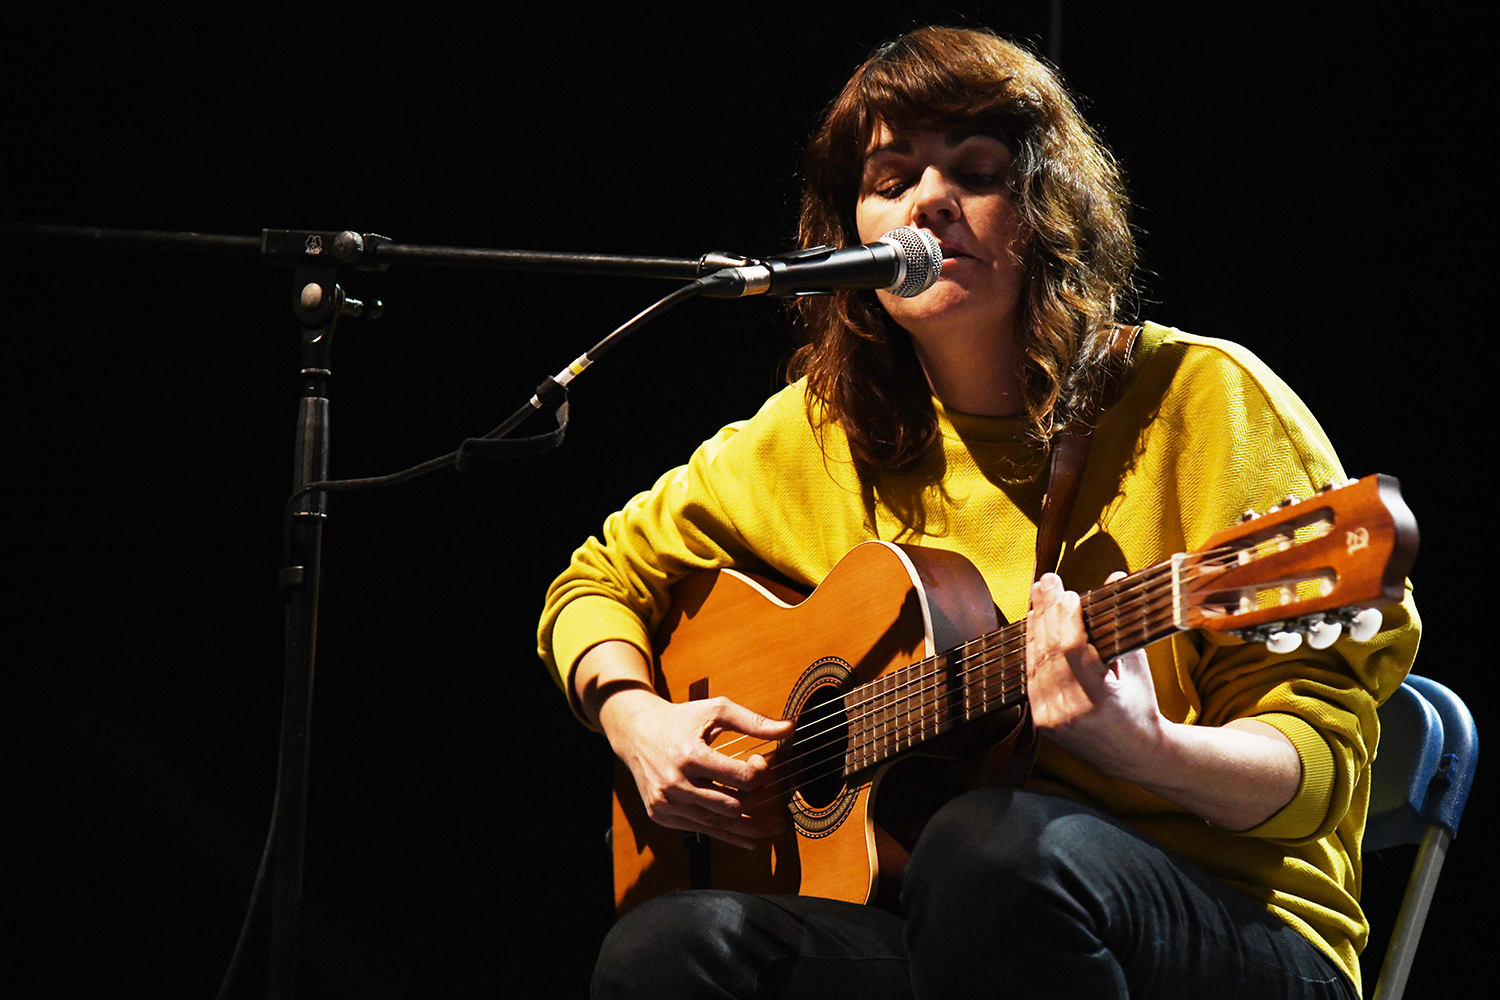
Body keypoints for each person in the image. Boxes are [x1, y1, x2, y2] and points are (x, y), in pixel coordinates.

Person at [537, 26, 1419, 1000]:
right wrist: (635, 718)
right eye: (890, 178)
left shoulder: (1205, 403)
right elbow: (598, 579)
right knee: (663, 947)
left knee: (988, 849)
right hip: (961, 931)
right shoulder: (821, 433)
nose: (928, 200)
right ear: (850, 236)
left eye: (976, 170)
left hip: (1235, 927)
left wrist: (1145, 747)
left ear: (1046, 209)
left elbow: (1319, 769)